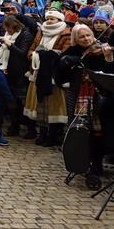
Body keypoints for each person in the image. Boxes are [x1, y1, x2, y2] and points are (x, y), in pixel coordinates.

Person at [56, 24, 114, 189]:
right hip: (77, 98)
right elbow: (60, 79)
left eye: (88, 35)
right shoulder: (72, 53)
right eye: (82, 37)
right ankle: (81, 163)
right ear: (75, 39)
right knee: (79, 131)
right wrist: (64, 64)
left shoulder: (102, 50)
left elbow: (108, 73)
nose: (87, 39)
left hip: (98, 98)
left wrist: (108, 58)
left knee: (97, 133)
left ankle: (95, 166)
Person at [23, 9, 72, 147]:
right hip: (38, 73)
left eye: (53, 19)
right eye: (48, 18)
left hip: (54, 76)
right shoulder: (41, 32)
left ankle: (52, 135)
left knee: (54, 106)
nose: (49, 21)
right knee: (40, 105)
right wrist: (33, 54)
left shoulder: (66, 33)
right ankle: (42, 133)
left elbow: (64, 54)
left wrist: (45, 54)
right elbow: (32, 49)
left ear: (60, 20)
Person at [0, 16, 34, 138]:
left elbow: (22, 53)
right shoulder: (9, 35)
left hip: (21, 73)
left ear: (14, 26)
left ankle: (30, 128)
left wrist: (9, 45)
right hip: (10, 71)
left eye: (9, 28)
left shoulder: (25, 35)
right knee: (12, 102)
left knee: (22, 102)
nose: (8, 31)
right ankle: (14, 126)